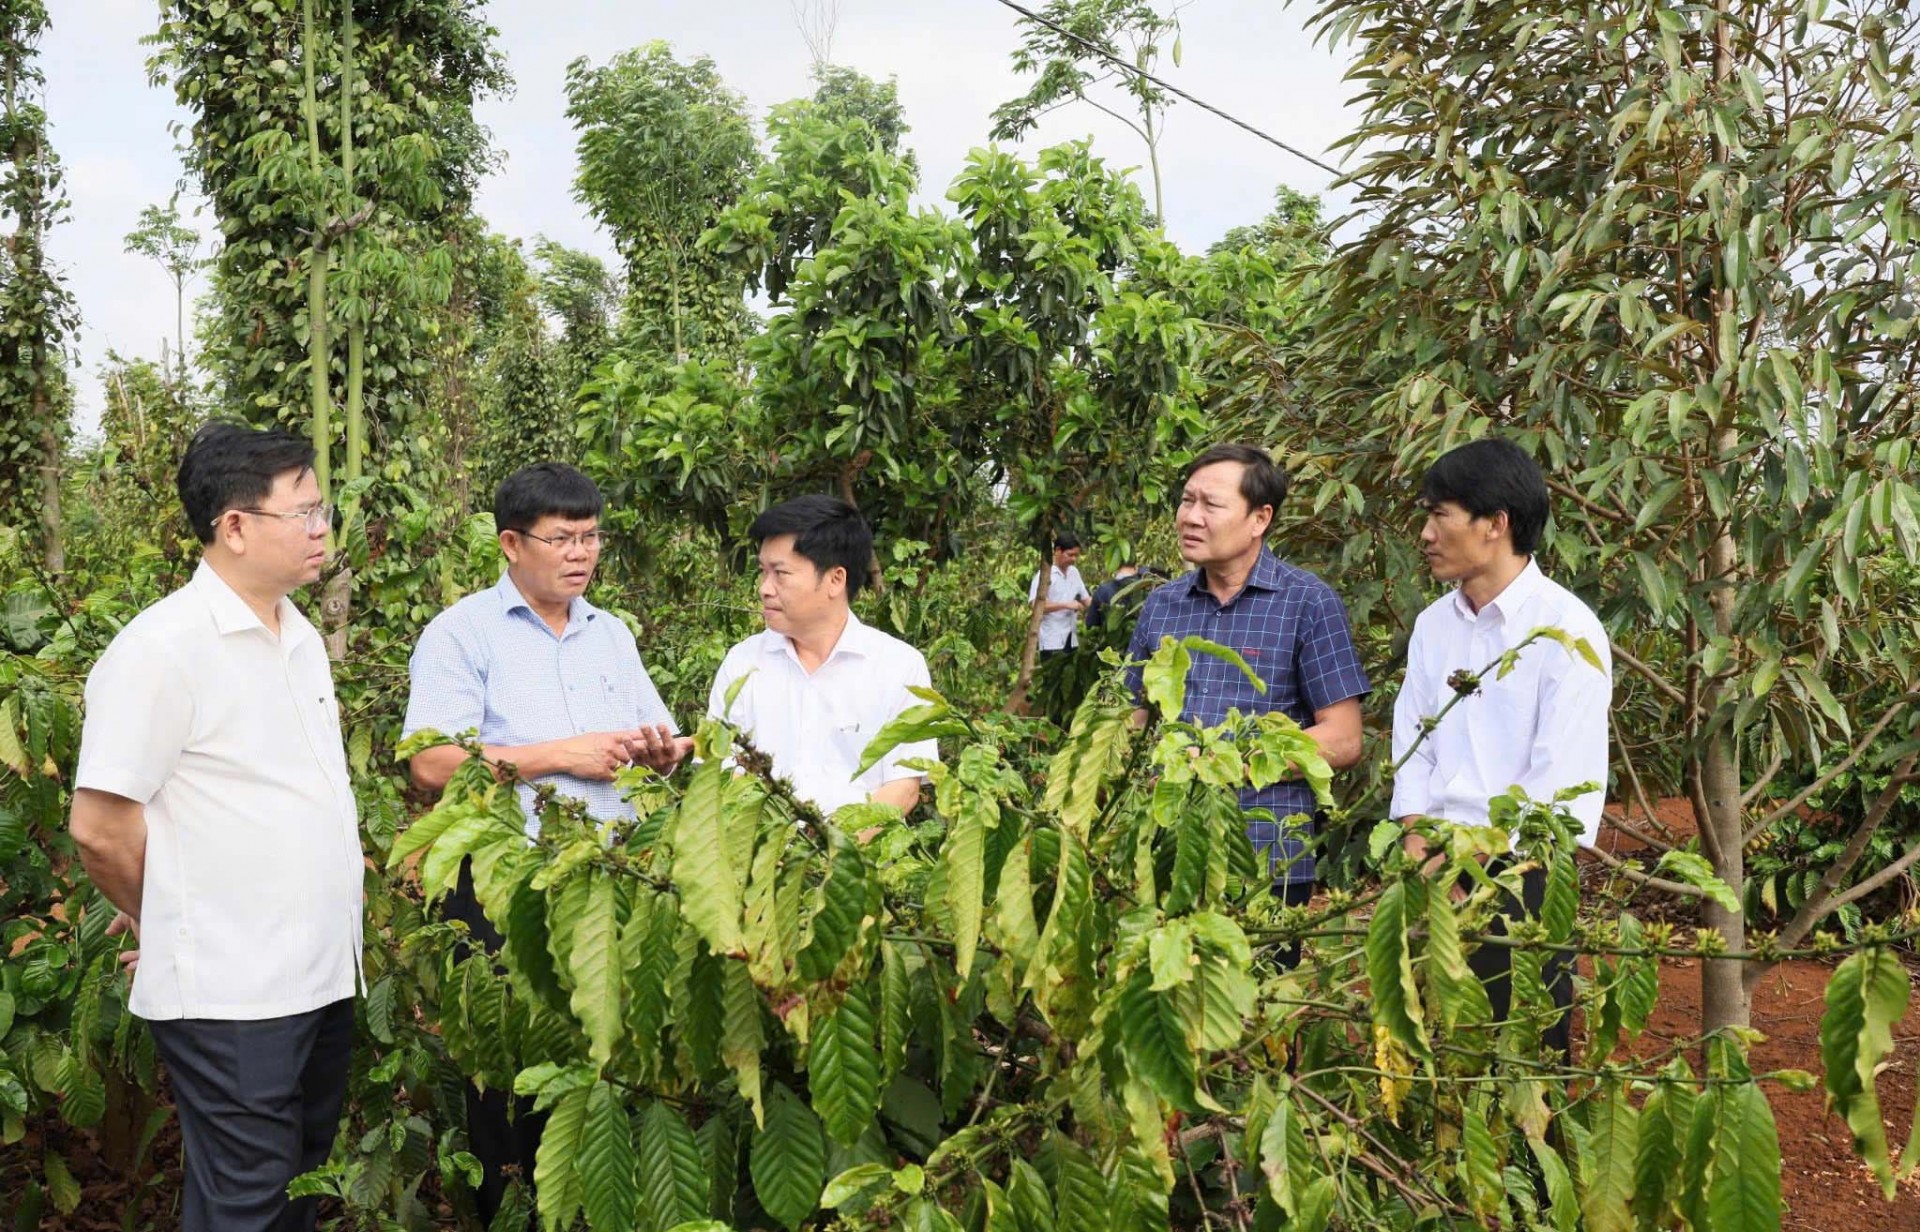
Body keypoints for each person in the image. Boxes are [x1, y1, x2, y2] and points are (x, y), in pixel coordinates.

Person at [69, 421, 363, 1232]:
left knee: (292, 1187)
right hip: (235, 992)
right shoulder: (162, 651)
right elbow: (99, 826)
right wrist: (166, 915)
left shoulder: (296, 636)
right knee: (251, 1200)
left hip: (318, 976)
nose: (321, 529)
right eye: (303, 512)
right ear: (234, 527)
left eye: (322, 509)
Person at [403, 462, 686, 1223]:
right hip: (506, 883)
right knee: (507, 1067)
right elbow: (432, 763)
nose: (580, 554)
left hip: (612, 878)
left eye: (591, 537)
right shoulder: (462, 634)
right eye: (561, 538)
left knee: (608, 1055)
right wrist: (558, 754)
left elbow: (644, 729)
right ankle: (505, 1210)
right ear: (510, 543)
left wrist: (661, 751)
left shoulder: (611, 633)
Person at [1391, 438, 1612, 1058]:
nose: (1427, 533)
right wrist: (1418, 839)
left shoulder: (1565, 630)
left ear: (1496, 524)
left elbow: (1561, 788)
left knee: (1520, 1057)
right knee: (1428, 1050)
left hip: (1523, 879)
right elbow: (1415, 739)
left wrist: (1481, 875)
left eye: (1440, 515)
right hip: (1432, 867)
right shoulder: (1434, 625)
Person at [1126, 443, 1370, 922]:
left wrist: (1224, 763)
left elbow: (1343, 739)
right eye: (1186, 500)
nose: (1190, 517)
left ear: (1260, 518)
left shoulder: (1307, 603)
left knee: (1260, 993)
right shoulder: (1161, 606)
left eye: (1211, 505)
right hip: (1168, 850)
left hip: (1269, 857)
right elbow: (1132, 716)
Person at [708, 495, 937, 815]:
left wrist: (832, 849)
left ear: (835, 579)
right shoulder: (743, 663)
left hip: (859, 860)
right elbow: (721, 770)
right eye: (763, 572)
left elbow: (902, 788)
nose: (765, 588)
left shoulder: (898, 668)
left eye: (780, 573)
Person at [1028, 532, 1091, 656]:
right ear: (1058, 551)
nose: (1074, 559)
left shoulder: (1074, 573)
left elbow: (1086, 599)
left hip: (1071, 639)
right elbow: (1034, 605)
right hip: (1052, 641)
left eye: (1076, 555)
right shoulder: (1044, 575)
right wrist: (1066, 605)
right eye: (1070, 555)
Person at [1085, 560, 1142, 633]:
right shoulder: (1150, 586)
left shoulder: (1103, 591)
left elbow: (1091, 627)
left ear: (1114, 566)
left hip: (1112, 641)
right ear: (1136, 566)